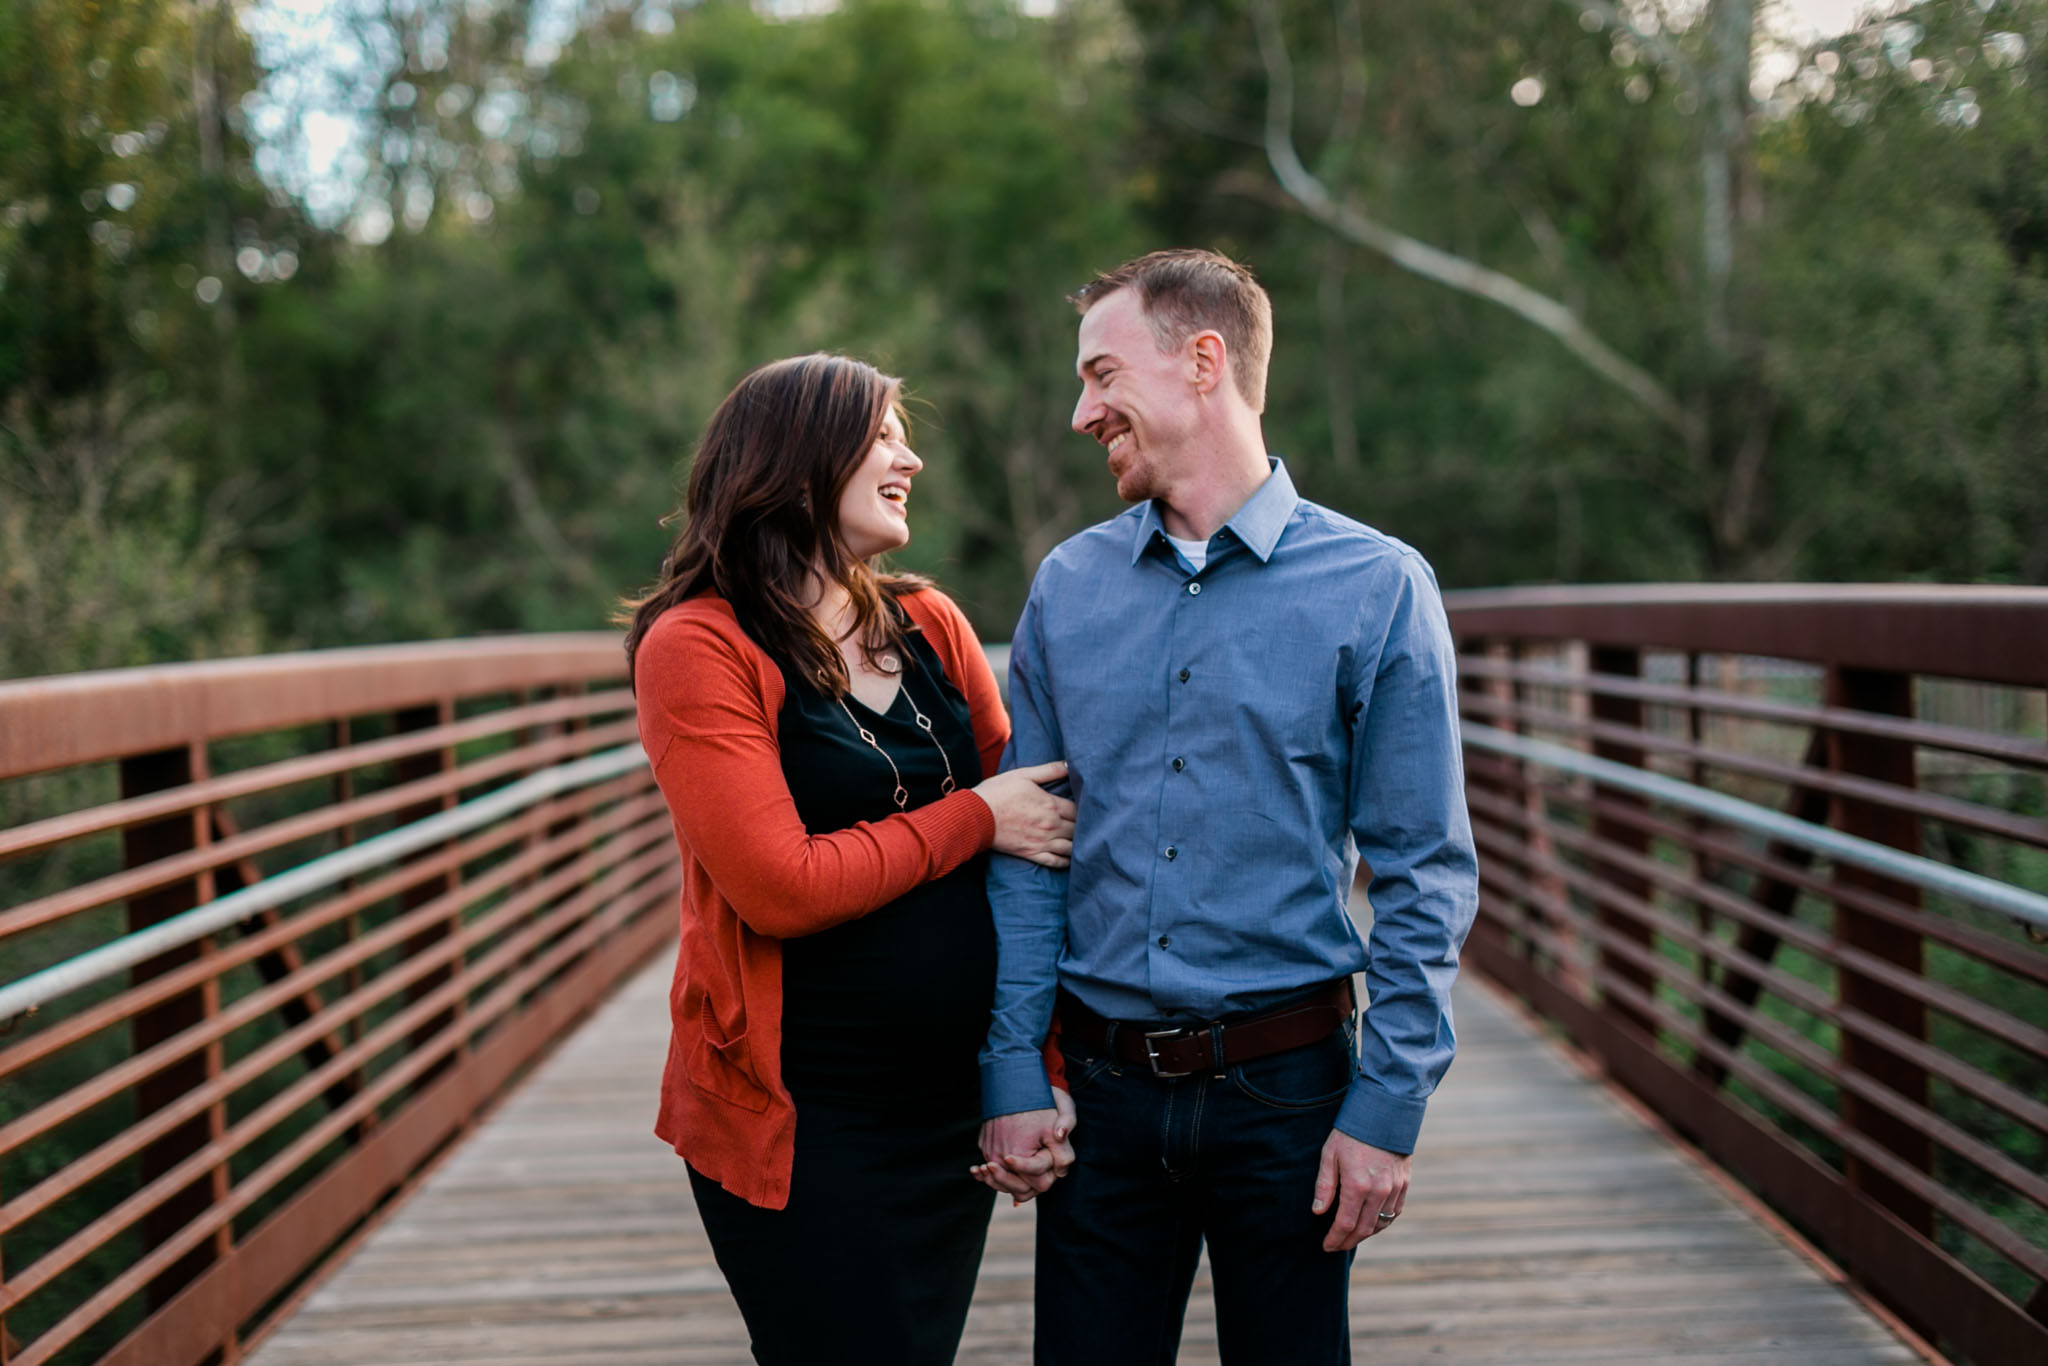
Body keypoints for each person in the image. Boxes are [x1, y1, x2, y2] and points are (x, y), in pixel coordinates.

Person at [973, 250, 1480, 1364]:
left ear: (1202, 362)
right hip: (1098, 1098)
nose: (1079, 411)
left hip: (1290, 1094)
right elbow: (1027, 852)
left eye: (1101, 375)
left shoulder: (1378, 585)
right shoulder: (1068, 586)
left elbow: (1422, 872)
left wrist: (1385, 1109)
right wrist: (1012, 1069)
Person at [626, 353, 1077, 1366]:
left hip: (952, 1110)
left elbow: (1035, 844)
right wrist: (971, 817)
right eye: (881, 436)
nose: (908, 457)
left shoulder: (930, 622)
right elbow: (779, 886)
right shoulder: (698, 647)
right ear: (795, 465)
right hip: (812, 1131)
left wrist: (1032, 1069)